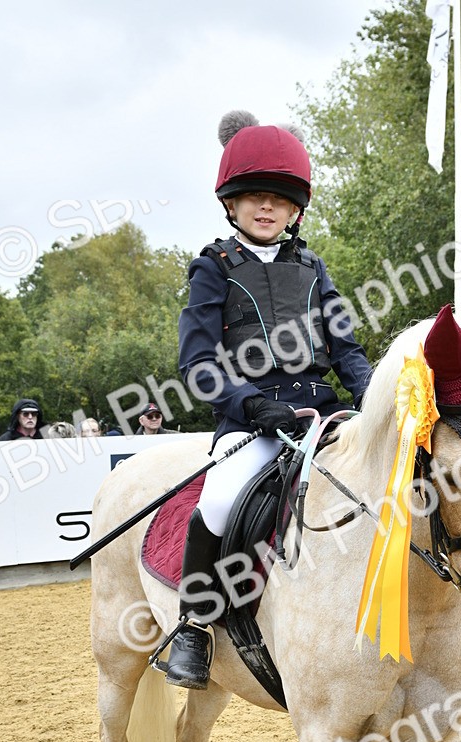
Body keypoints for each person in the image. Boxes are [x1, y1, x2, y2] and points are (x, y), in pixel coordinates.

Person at [164, 109, 372, 688]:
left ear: (295, 210)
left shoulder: (312, 266)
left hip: (325, 415)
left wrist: (376, 397)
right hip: (250, 418)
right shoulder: (213, 267)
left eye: (278, 200)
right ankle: (193, 628)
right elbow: (198, 363)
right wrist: (252, 405)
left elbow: (347, 349)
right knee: (222, 500)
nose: (265, 208)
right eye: (253, 197)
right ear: (231, 204)